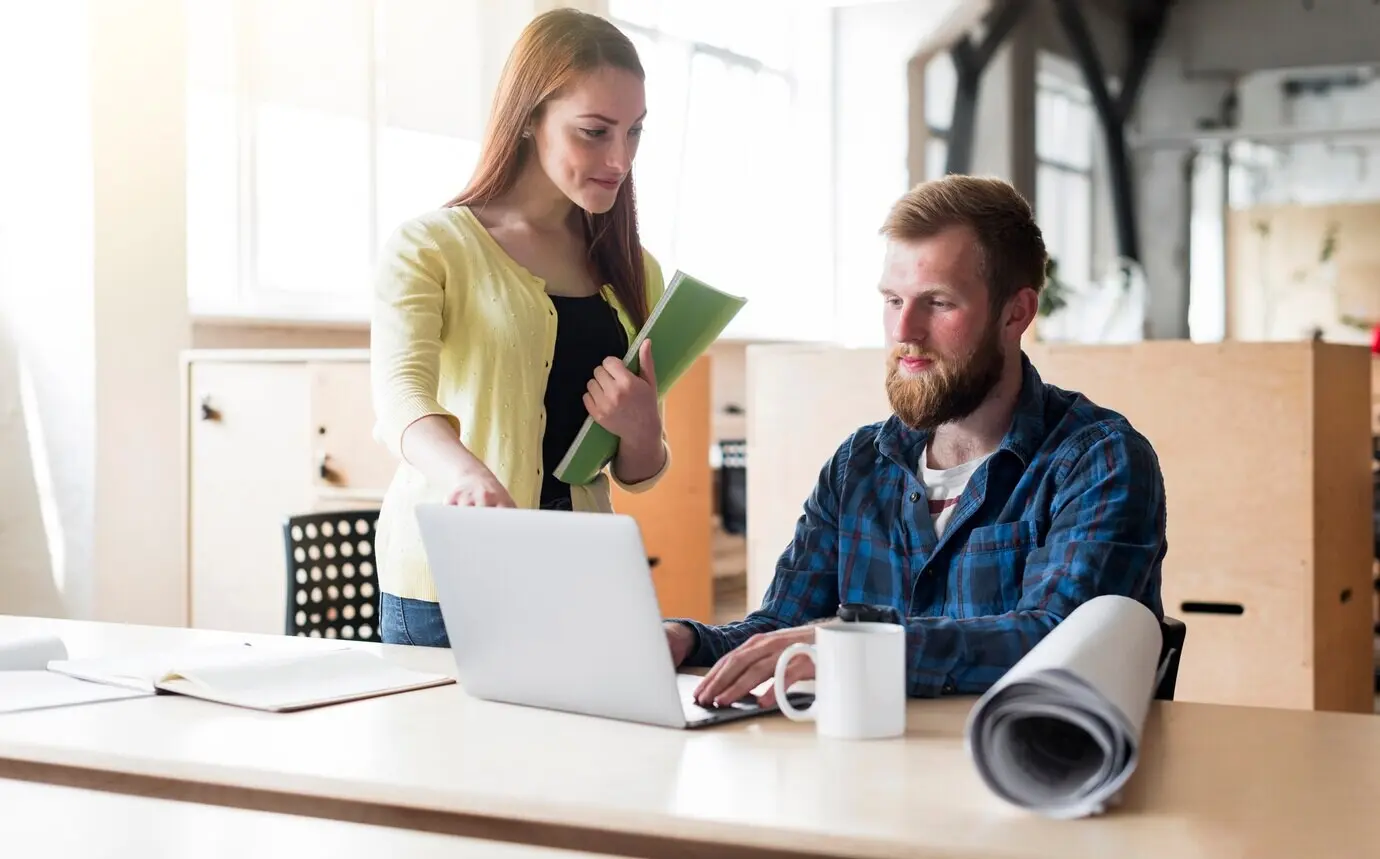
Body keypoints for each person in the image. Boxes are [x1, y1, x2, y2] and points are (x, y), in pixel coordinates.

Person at [665, 175, 1167, 707]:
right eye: (892, 299)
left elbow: (1057, 640)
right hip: (865, 767)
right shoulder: (856, 466)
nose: (905, 329)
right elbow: (785, 627)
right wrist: (689, 640)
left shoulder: (1098, 462)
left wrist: (859, 649)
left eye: (938, 303)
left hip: (1021, 773)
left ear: (1016, 312)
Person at [370, 9, 670, 647]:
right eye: (594, 132)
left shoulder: (633, 266)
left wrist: (645, 430)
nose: (620, 159)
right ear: (531, 119)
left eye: (635, 132)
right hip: (449, 578)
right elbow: (401, 399)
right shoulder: (430, 246)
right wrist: (466, 474)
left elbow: (633, 471)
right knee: (453, 751)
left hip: (579, 576)